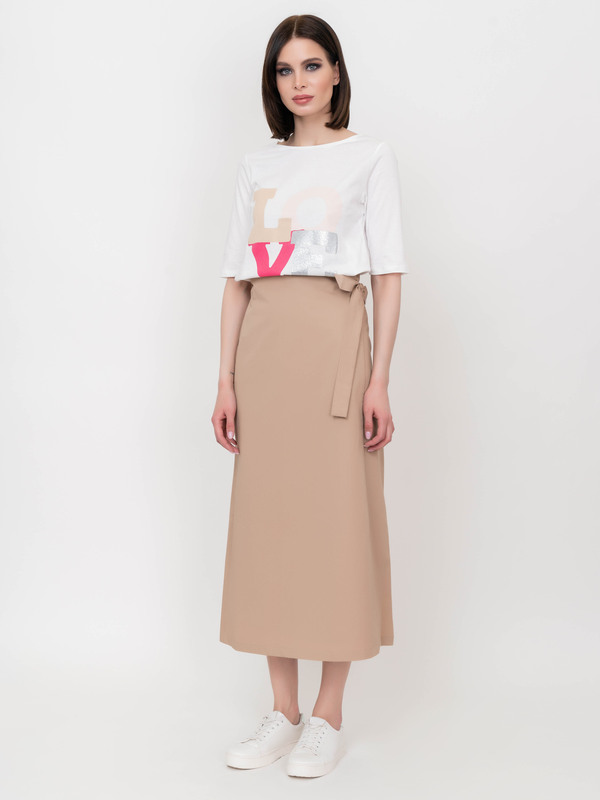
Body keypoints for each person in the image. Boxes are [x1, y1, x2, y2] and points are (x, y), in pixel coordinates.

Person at [211, 13, 409, 778]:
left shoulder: (370, 157)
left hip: (336, 351)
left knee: (335, 524)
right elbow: (237, 281)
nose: (299, 82)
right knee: (271, 526)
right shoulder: (257, 165)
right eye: (285, 69)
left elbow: (388, 274)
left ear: (336, 73)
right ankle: (282, 710)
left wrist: (379, 377)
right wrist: (225, 379)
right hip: (265, 354)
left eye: (312, 65)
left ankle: (328, 713)